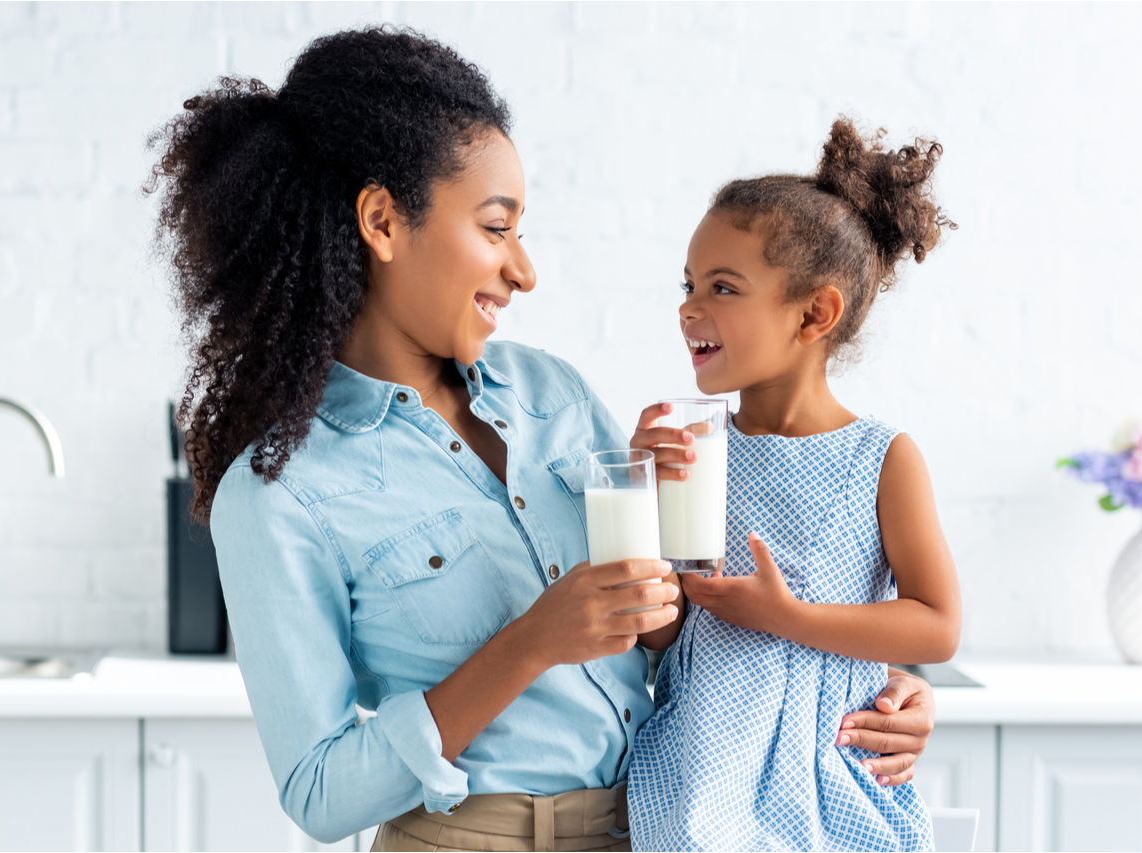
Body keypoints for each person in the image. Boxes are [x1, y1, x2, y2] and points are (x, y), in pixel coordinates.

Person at [146, 27, 939, 852]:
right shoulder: (278, 492)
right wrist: (529, 644)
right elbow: (318, 791)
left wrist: (871, 690)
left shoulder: (551, 393)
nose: (524, 270)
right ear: (382, 221)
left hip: (655, 825)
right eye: (497, 228)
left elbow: (672, 641)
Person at [626, 118, 962, 851]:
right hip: (695, 771)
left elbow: (937, 625)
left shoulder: (883, 456)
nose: (689, 306)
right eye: (689, 284)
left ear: (815, 312)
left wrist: (787, 615)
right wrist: (639, 510)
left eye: (722, 286)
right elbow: (664, 630)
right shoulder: (695, 445)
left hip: (825, 777)